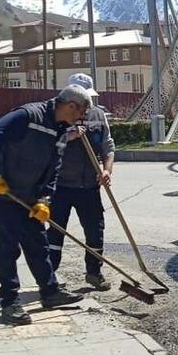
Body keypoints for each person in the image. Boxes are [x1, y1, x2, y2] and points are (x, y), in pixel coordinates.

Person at [0, 85, 91, 325]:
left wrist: (44, 199)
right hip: (3, 192)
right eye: (80, 112)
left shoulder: (61, 130)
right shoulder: (28, 115)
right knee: (8, 247)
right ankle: (9, 302)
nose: (80, 118)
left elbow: (54, 168)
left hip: (28, 195)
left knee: (38, 243)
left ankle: (50, 292)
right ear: (71, 105)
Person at [47, 73, 115, 291]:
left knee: (95, 231)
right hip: (61, 186)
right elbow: (46, 146)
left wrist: (106, 171)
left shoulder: (98, 115)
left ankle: (94, 273)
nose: (85, 107)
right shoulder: (56, 117)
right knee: (55, 233)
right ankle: (49, 279)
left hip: (89, 186)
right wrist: (68, 136)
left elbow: (108, 146)